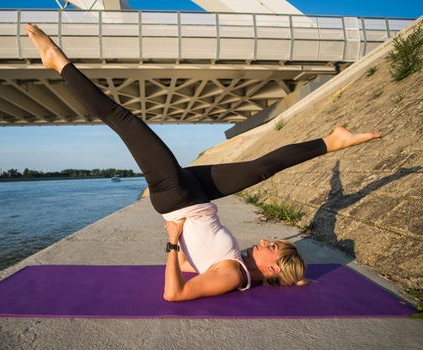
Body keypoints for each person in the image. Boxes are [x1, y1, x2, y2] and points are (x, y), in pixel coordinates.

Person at [26, 24, 381, 302]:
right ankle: (332, 141)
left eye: (274, 245)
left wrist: (172, 240)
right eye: (274, 241)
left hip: (178, 197)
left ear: (272, 266)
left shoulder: (233, 275)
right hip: (198, 196)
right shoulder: (236, 264)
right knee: (261, 167)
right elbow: (188, 265)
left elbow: (174, 293)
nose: (269, 240)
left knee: (124, 120)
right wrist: (182, 255)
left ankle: (58, 62)